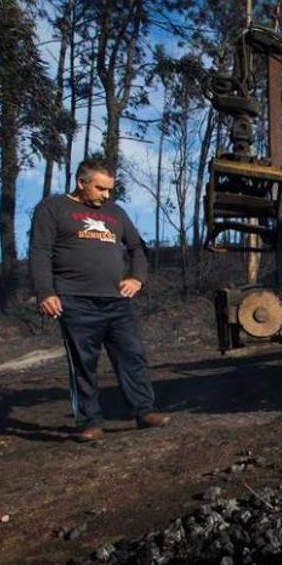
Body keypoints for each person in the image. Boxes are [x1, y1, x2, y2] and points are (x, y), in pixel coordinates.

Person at [29, 157, 170, 442]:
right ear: (82, 183)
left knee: (133, 356)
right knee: (84, 363)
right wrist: (45, 292)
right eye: (100, 188)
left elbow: (138, 248)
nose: (106, 195)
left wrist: (137, 278)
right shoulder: (53, 208)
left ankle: (144, 410)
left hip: (117, 300)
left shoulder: (115, 212)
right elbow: (40, 252)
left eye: (109, 190)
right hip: (75, 300)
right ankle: (90, 421)